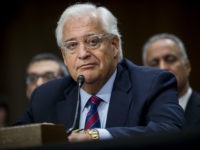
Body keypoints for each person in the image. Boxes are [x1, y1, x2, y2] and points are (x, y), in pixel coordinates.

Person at [15, 3, 184, 142]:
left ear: (114, 45)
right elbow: (12, 139)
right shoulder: (46, 96)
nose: (83, 54)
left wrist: (96, 135)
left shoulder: (152, 84)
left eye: (93, 41)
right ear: (64, 57)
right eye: (72, 45)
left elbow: (169, 132)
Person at [142, 33, 200, 128]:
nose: (163, 68)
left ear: (187, 67)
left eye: (170, 59)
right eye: (154, 63)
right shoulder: (137, 118)